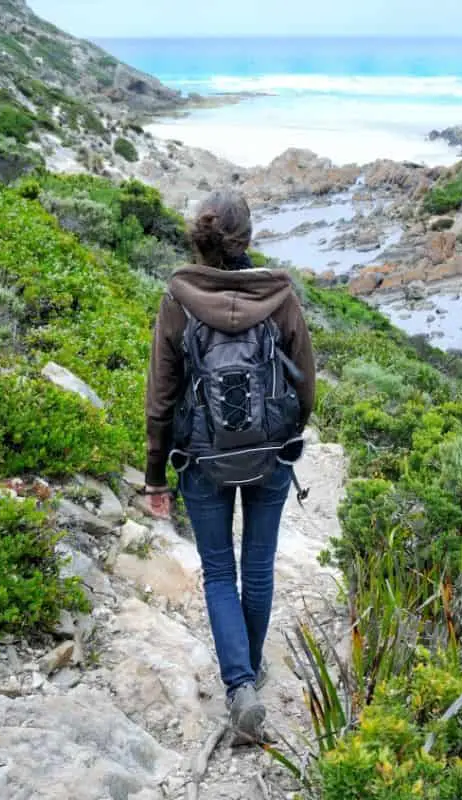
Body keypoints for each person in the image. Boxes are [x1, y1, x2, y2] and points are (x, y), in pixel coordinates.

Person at [142, 189, 316, 743]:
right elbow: (304, 382)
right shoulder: (279, 293)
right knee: (258, 566)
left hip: (200, 455)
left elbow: (160, 394)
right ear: (247, 236)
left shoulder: (179, 296)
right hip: (270, 452)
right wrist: (291, 431)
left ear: (200, 235)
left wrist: (155, 474)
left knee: (220, 572)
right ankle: (251, 671)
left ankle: (239, 685)